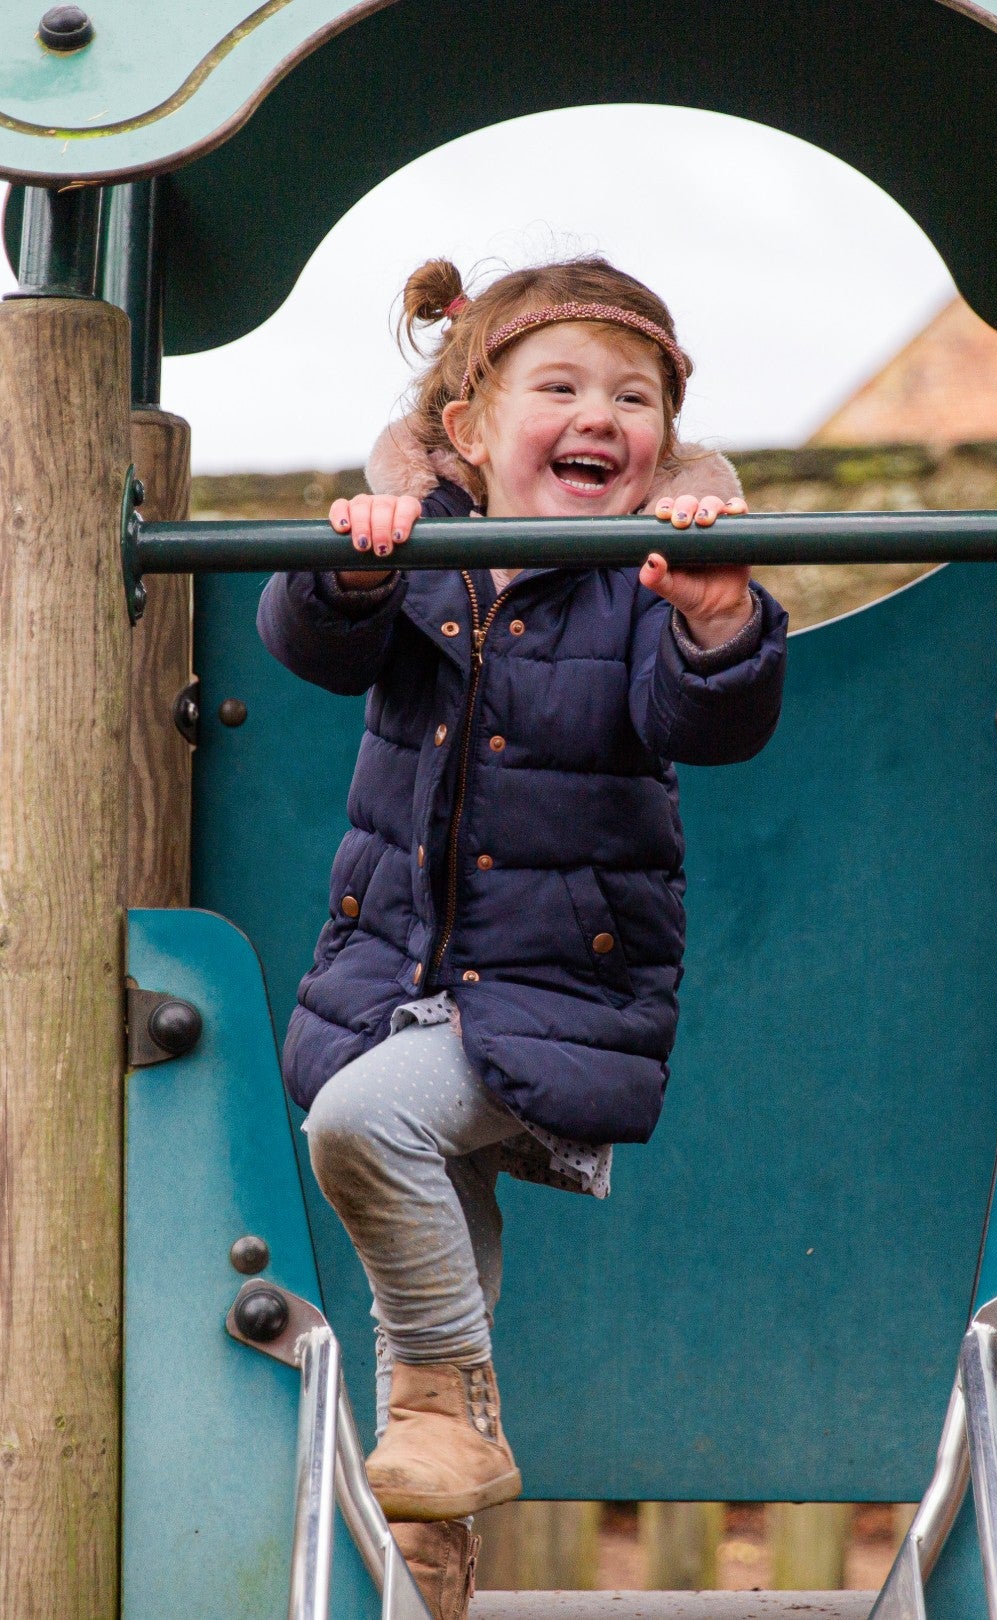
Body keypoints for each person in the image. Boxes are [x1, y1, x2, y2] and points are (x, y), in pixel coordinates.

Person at [258, 255, 788, 1615]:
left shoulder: (648, 578)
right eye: (557, 386)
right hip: (392, 981)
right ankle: (429, 1569)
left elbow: (708, 723)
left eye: (633, 395)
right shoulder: (422, 549)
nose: (598, 415)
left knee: (364, 1137)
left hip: (556, 992)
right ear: (472, 432)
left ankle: (459, 1418)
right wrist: (359, 564)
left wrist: (722, 618)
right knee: (418, 1300)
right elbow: (307, 643)